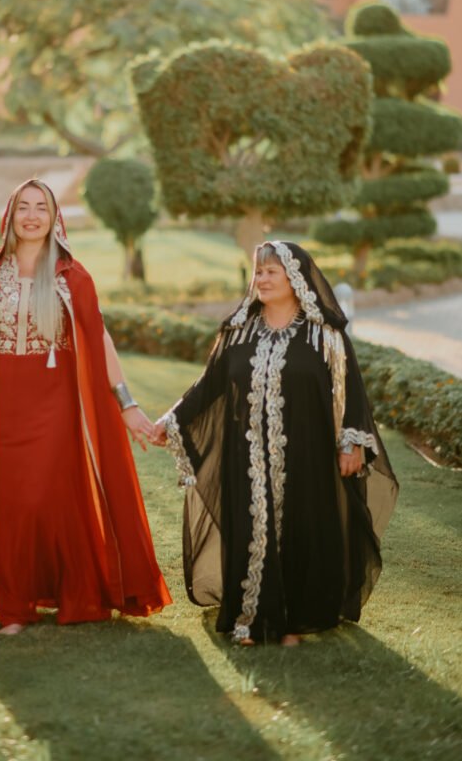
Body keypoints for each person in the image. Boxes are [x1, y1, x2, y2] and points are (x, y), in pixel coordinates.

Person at [0, 178, 171, 634]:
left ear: (54, 218)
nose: (32, 216)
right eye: (24, 207)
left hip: (57, 409)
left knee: (51, 500)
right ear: (10, 215)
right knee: (9, 504)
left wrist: (126, 403)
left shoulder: (73, 275)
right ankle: (14, 605)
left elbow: (99, 338)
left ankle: (77, 595)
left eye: (41, 208)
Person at [154, 240, 398, 646]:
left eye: (271, 272)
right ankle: (251, 618)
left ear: (296, 278)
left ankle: (294, 621)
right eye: (258, 272)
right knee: (249, 528)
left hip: (307, 455)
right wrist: (170, 419)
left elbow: (351, 389)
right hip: (245, 456)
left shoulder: (324, 336)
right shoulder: (239, 331)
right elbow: (208, 385)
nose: (262, 279)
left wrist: (351, 442)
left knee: (301, 528)